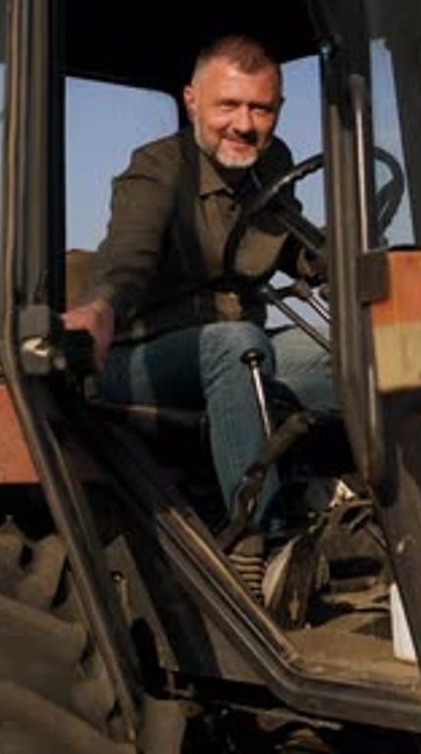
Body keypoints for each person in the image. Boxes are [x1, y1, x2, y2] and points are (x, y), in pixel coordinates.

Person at [63, 34, 331, 540]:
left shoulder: (272, 164)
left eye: (261, 108)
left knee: (366, 353)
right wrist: (100, 309)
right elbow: (128, 257)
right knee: (238, 348)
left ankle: (371, 514)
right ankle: (257, 542)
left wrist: (346, 266)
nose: (245, 125)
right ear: (191, 102)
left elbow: (290, 235)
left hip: (238, 343)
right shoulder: (158, 168)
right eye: (227, 105)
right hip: (140, 358)